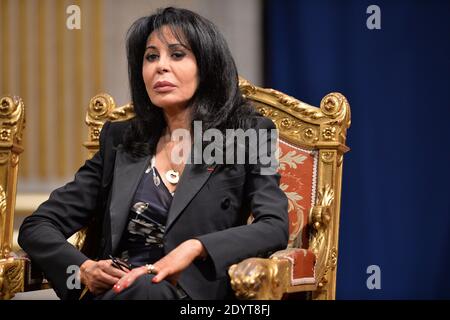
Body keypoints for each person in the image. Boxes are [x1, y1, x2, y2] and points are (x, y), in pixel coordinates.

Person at [18, 7, 288, 300]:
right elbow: (38, 226)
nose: (160, 66)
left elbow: (273, 227)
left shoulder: (246, 134)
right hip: (118, 291)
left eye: (177, 54)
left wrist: (195, 247)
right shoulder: (120, 140)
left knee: (148, 288)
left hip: (190, 296)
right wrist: (82, 268)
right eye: (151, 56)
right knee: (140, 289)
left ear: (206, 66)